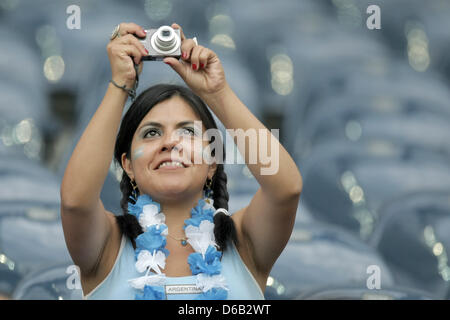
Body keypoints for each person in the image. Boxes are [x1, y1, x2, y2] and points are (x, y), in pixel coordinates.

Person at [60, 22, 302, 300]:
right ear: (127, 165)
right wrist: (120, 85)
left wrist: (217, 93)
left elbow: (287, 189)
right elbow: (75, 202)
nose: (170, 142)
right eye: (151, 133)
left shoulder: (245, 242)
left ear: (213, 160)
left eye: (187, 131)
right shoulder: (107, 245)